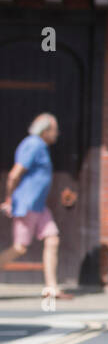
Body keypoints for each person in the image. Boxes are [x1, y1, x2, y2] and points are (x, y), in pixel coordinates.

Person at [1, 113, 65, 304]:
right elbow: (14, 175)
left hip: (39, 206)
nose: (57, 133)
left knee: (52, 239)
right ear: (45, 131)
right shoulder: (33, 144)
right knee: (20, 248)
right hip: (27, 204)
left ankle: (51, 287)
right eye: (55, 129)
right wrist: (9, 199)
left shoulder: (41, 147)